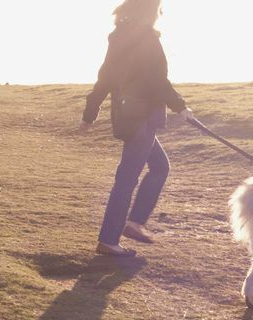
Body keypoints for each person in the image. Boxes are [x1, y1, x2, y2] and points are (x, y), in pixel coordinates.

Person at [79, 0, 194, 256]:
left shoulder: (118, 37)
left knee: (160, 167)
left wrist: (90, 114)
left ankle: (134, 223)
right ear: (150, 11)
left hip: (128, 115)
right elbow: (158, 81)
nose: (158, 15)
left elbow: (104, 78)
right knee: (127, 178)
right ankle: (109, 239)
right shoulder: (146, 38)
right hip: (143, 117)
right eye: (157, 11)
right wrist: (181, 106)